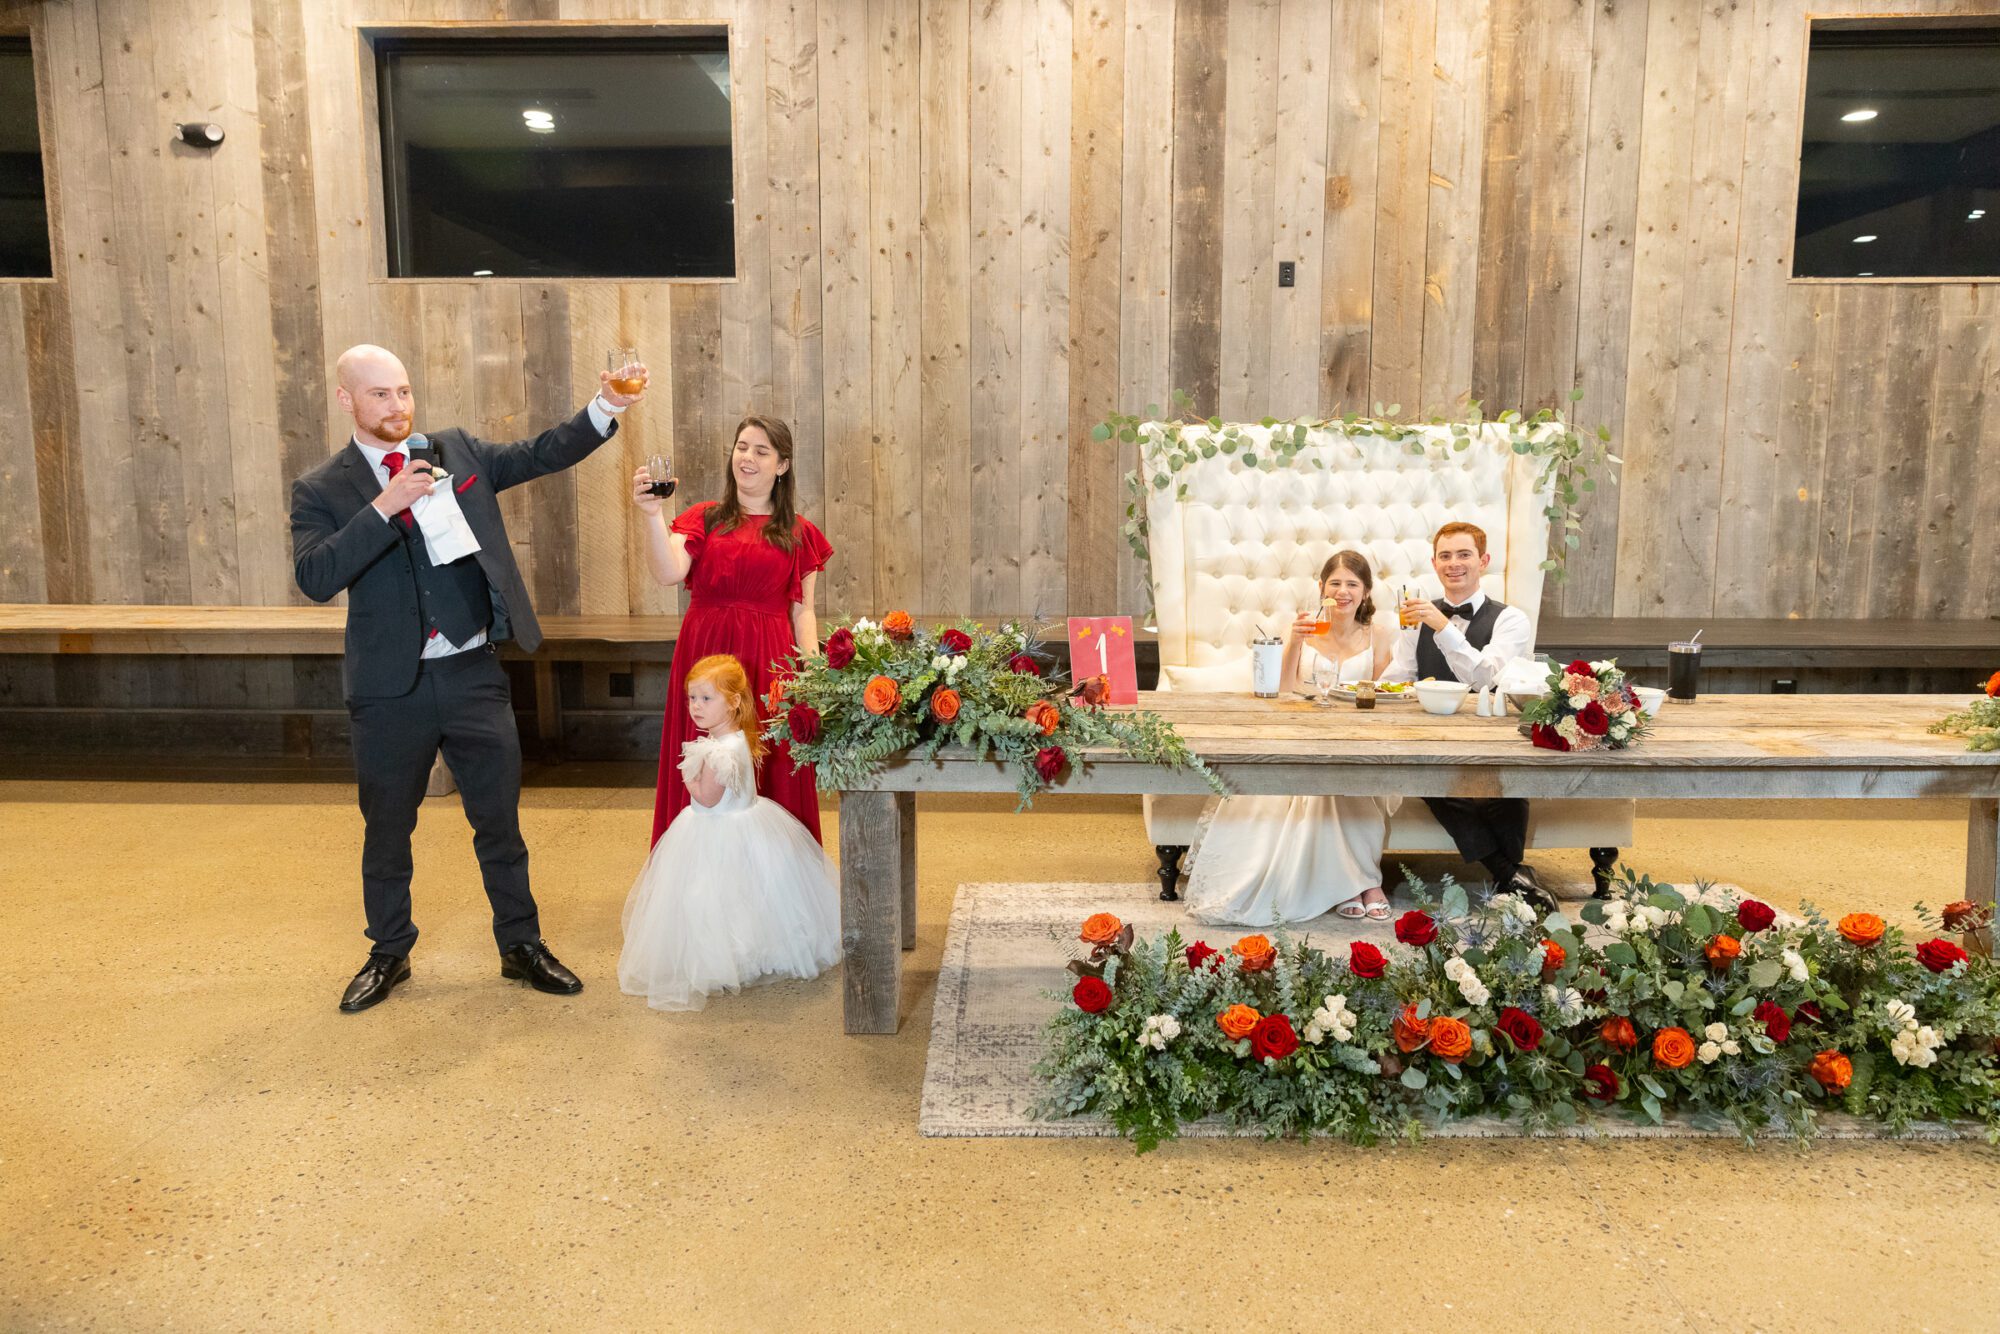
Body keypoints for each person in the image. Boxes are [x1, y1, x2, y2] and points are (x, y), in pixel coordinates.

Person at [291, 343, 644, 1013]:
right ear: (346, 400)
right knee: (388, 828)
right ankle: (388, 951)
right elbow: (315, 576)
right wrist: (383, 507)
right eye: (379, 395)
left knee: (499, 822)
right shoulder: (321, 489)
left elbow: (541, 452)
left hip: (473, 673)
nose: (397, 406)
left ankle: (521, 943)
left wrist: (607, 407)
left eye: (402, 391)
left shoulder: (454, 450)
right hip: (389, 687)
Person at [635, 416, 832, 845]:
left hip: (769, 660)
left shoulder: (799, 532)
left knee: (770, 764)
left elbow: (803, 612)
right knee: (705, 766)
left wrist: (814, 673)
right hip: (705, 657)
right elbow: (668, 573)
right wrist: (653, 515)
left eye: (762, 451)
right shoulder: (702, 518)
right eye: (742, 447)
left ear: (782, 465)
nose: (747, 458)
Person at [1182, 550, 1402, 924]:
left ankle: (1361, 880)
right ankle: (1359, 882)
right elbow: (1281, 690)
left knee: (1348, 777)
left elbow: (1381, 693)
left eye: (1353, 584)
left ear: (1366, 592)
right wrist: (1295, 644)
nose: (1343, 591)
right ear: (1321, 589)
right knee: (1324, 782)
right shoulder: (1301, 627)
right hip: (1304, 727)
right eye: (1335, 583)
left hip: (1358, 735)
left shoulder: (1378, 633)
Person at [618, 654, 842, 1011]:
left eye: (707, 698)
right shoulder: (737, 740)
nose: (695, 706)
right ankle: (751, 950)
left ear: (734, 702)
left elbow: (707, 798)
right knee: (750, 896)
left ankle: (722, 959)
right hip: (749, 823)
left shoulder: (719, 752)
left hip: (717, 830)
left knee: (711, 896)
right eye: (692, 697)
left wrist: (689, 777)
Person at [1380, 520, 1548, 908]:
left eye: (1464, 554)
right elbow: (1399, 676)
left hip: (1489, 735)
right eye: (1445, 556)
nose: (1454, 563)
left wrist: (1442, 627)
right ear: (1435, 564)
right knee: (1430, 778)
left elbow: (1487, 677)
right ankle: (1509, 874)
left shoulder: (1511, 619)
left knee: (1508, 790)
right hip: (1427, 737)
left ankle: (1509, 871)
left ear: (1483, 561)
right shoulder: (1414, 617)